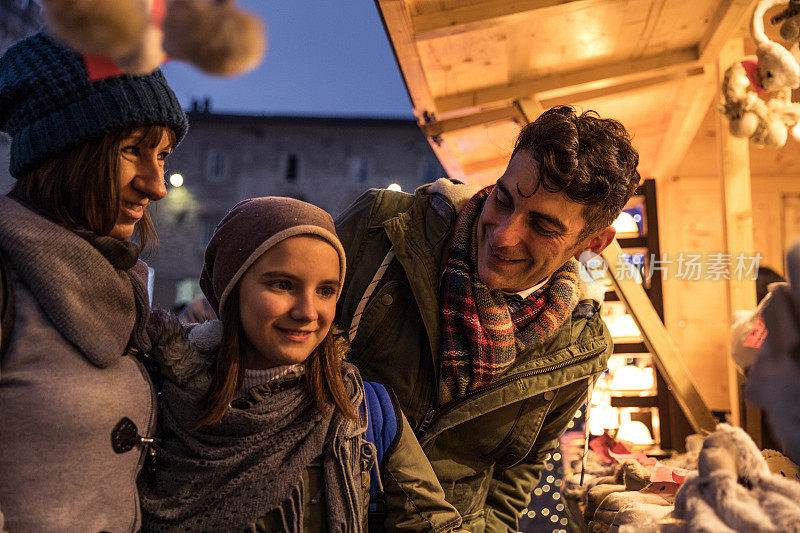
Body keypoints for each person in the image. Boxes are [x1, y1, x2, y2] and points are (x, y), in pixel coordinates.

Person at [335, 106, 641, 532]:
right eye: (503, 199)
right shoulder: (382, 226)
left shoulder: (580, 346)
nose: (503, 235)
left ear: (591, 243)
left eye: (543, 226)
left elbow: (519, 472)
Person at [139, 197, 466, 532]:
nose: (307, 312)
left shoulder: (362, 412)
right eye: (283, 284)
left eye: (326, 291)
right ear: (232, 287)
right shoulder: (160, 397)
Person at [0, 32, 187, 531]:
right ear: (63, 151)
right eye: (132, 150)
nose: (154, 185)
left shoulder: (124, 288)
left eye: (163, 156)